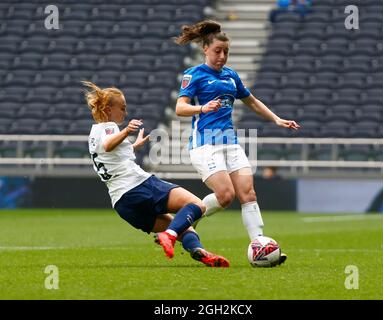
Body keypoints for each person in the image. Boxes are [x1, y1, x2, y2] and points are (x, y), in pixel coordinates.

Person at [174, 20, 300, 264]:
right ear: (205, 50)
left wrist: (276, 119)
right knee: (224, 195)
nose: (222, 56)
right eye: (217, 51)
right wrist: (202, 107)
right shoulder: (194, 75)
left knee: (248, 193)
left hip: (230, 142)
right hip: (205, 143)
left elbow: (251, 101)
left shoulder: (231, 76)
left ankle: (259, 244)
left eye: (226, 52)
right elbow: (180, 108)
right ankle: (182, 221)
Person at [83, 81, 229, 267]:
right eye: (122, 107)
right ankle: (168, 235)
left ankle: (198, 251)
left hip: (122, 203)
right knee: (197, 205)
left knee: (184, 228)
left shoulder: (93, 133)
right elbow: (108, 145)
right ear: (108, 108)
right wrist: (127, 130)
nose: (125, 112)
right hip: (137, 186)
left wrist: (134, 145)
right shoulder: (109, 127)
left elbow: (109, 154)